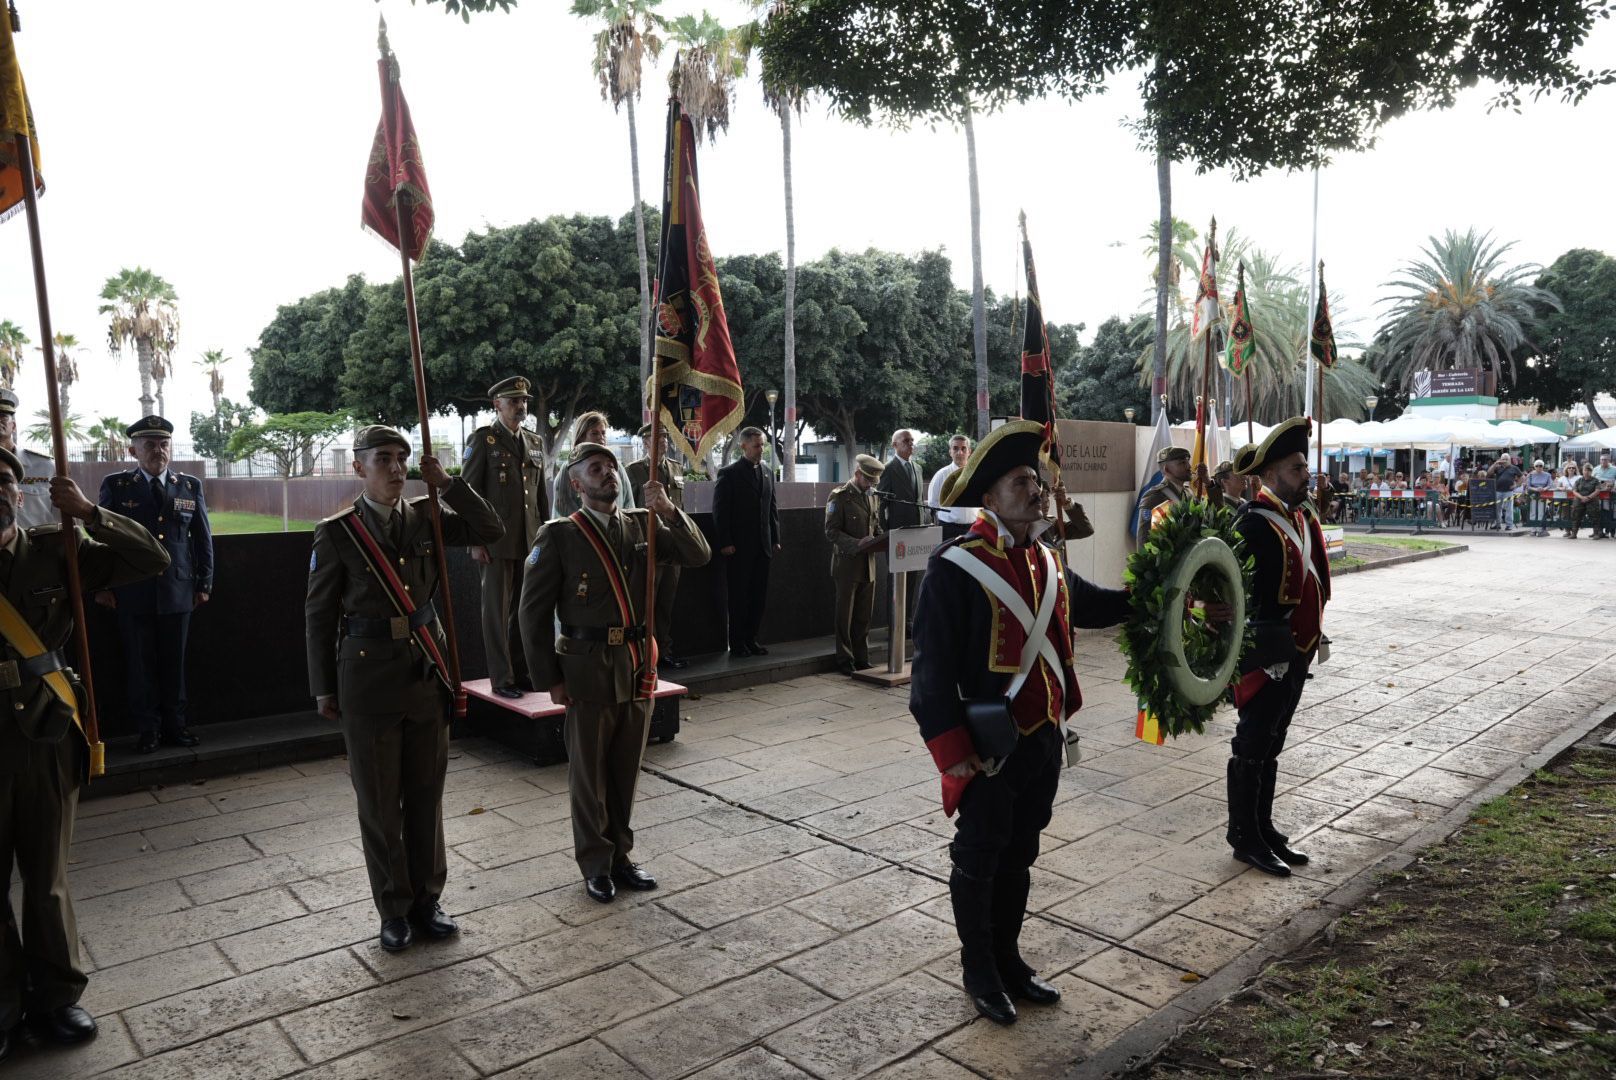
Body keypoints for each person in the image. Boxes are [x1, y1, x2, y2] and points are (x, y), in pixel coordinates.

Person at [909, 420, 1136, 1026]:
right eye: (1020, 481)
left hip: (1043, 739)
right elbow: (929, 678)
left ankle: (1009, 958)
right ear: (987, 498)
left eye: (1036, 479)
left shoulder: (1046, 559)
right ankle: (978, 969)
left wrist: (1160, 592)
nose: (1036, 490)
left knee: (1022, 850)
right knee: (979, 856)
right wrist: (954, 753)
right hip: (988, 749)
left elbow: (1093, 606)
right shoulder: (954, 568)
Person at [304, 426, 503, 952]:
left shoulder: (429, 516)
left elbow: (493, 528)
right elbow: (319, 615)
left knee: (425, 796)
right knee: (377, 801)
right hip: (366, 679)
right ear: (358, 468)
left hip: (423, 673)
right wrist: (323, 686)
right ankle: (393, 908)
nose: (396, 468)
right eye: (383, 459)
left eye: (402, 458)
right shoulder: (338, 532)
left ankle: (427, 900)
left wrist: (451, 485)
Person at [0, 448, 170, 1057]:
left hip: (45, 733)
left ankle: (56, 998)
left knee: (46, 878)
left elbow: (152, 558)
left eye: (4, 480)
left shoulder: (55, 549)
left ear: (22, 495)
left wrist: (92, 513)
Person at [520, 441, 710, 902]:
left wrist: (667, 510)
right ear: (576, 482)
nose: (607, 474)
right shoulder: (559, 535)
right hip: (585, 670)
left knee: (625, 770)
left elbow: (698, 553)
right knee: (590, 777)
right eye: (595, 468)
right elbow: (530, 613)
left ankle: (621, 856)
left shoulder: (642, 526)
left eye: (610, 467)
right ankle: (595, 862)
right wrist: (552, 680)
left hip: (634, 666)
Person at [1228, 418, 1331, 878]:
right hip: (1263, 654)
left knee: (1273, 742)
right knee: (1252, 743)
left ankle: (1263, 826)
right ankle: (1243, 837)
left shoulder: (1304, 516)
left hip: (1298, 648)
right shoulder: (1251, 524)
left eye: (1305, 465)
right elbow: (1226, 593)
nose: (1306, 473)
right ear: (1268, 476)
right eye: (1295, 467)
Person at [94, 416, 213, 754]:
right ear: (134, 450)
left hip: (178, 590)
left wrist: (204, 582)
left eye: (163, 444)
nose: (157, 450)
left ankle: (176, 727)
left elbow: (203, 538)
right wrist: (102, 586)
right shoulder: (117, 486)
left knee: (174, 665)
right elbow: (101, 539)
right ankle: (148, 731)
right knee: (140, 665)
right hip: (132, 591)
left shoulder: (188, 486)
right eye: (149, 445)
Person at [461, 377, 548, 699]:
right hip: (495, 543)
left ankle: (522, 672)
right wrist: (475, 540)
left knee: (524, 611)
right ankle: (502, 678)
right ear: (497, 405)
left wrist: (545, 536)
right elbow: (468, 494)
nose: (521, 406)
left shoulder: (535, 442)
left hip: (529, 541)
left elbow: (540, 497)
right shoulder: (484, 440)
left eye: (523, 400)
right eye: (513, 401)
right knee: (496, 614)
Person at [711, 427, 780, 658]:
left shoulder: (768, 472)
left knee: (758, 597)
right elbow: (721, 511)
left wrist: (776, 538)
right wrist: (725, 542)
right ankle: (737, 643)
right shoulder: (728, 474)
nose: (761, 450)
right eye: (757, 446)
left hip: (763, 546)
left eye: (762, 445)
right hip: (738, 548)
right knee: (739, 597)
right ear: (744, 446)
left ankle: (752, 639)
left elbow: (772, 508)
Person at [625, 424, 689, 670]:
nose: (661, 442)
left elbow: (680, 507)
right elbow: (628, 509)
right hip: (648, 545)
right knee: (645, 605)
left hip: (672, 545)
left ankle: (663, 651)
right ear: (644, 442)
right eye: (655, 438)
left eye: (664, 437)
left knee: (666, 603)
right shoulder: (634, 471)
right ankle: (643, 653)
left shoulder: (675, 467)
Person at [824, 454, 885, 675]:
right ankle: (844, 659)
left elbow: (875, 525)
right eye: (868, 480)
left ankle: (861, 657)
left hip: (868, 563)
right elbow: (831, 531)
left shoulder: (872, 496)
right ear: (858, 473)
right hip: (847, 564)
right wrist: (856, 543)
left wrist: (881, 538)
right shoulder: (839, 497)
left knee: (863, 615)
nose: (871, 485)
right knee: (845, 615)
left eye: (873, 482)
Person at [551, 412, 634, 519]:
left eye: (603, 433)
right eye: (594, 433)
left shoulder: (617, 467)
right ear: (581, 437)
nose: (601, 438)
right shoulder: (569, 468)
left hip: (618, 528)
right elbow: (562, 506)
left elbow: (629, 503)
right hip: (583, 531)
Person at [0, 389, 57, 529]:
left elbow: (63, 517)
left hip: (37, 547)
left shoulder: (46, 466)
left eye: (2, 416)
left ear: (13, 426)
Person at [927, 434, 976, 541]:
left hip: (973, 528)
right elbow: (933, 503)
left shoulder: (976, 473)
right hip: (949, 528)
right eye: (955, 448)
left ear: (969, 451)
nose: (960, 452)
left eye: (963, 448)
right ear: (950, 452)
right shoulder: (941, 474)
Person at [1138, 445, 1190, 537]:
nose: (1189, 466)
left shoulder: (1189, 493)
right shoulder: (1154, 497)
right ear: (1167, 469)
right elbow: (1144, 538)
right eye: (1182, 463)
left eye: (1187, 462)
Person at [1566, 462, 1605, 539]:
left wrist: (1588, 498)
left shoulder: (1595, 480)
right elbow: (1574, 491)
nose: (1587, 472)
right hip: (1579, 500)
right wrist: (1582, 497)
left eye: (1589, 470)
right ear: (1582, 471)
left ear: (1591, 471)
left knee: (1595, 516)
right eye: (1585, 470)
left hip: (1592, 500)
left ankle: (1596, 533)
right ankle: (1574, 534)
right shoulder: (1579, 480)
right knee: (1575, 516)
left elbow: (1597, 490)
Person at [1489, 453, 1523, 532]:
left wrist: (1516, 485)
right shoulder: (1498, 467)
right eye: (1503, 459)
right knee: (1497, 508)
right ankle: (1497, 524)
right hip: (1498, 490)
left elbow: (1522, 477)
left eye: (1506, 459)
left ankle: (1509, 525)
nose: (1504, 461)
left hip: (1508, 491)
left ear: (1509, 460)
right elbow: (1489, 473)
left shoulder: (1514, 468)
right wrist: (1495, 464)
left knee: (1509, 509)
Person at [1525, 459, 1556, 536]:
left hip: (1543, 495)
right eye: (1537, 466)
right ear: (1534, 467)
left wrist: (1544, 489)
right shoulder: (1530, 475)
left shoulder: (1547, 475)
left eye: (1540, 466)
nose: (1539, 467)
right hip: (1532, 495)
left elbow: (1550, 485)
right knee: (1532, 511)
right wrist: (1535, 489)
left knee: (1541, 511)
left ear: (1543, 466)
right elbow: (1528, 486)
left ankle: (1539, 529)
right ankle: (1533, 529)